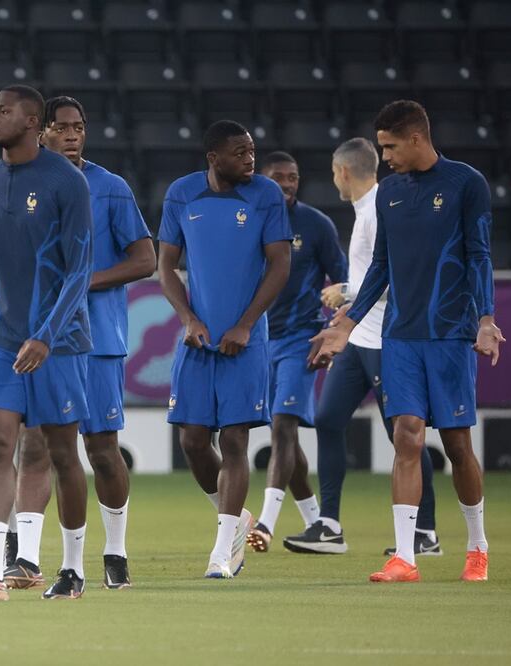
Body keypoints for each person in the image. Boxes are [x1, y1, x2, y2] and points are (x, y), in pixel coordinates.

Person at [309, 100, 502, 583]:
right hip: (398, 335)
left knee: (457, 444)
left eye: (391, 147)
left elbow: (479, 255)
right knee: (407, 434)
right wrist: (347, 324)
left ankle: (477, 547)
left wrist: (485, 318)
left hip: (450, 335)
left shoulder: (466, 183)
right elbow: (381, 266)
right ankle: (405, 558)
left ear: (417, 138)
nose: (386, 157)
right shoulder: (389, 193)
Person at [0, 85, 93, 602]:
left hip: (59, 341)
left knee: (61, 453)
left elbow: (80, 270)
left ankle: (72, 567)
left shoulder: (67, 181)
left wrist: (46, 336)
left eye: (3, 111)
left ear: (32, 121)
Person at [5, 96, 155, 591]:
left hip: (98, 339)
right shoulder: (21, 184)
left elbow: (146, 260)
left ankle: (116, 552)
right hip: (38, 339)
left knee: (102, 450)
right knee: (35, 446)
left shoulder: (110, 188)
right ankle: (27, 557)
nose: (72, 135)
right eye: (61, 127)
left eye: (78, 127)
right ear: (40, 132)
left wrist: (83, 281)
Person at [283, 137, 442, 556]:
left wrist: (348, 292)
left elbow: (401, 278)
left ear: (342, 172)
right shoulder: (365, 210)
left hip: (386, 341)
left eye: (333, 173)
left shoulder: (377, 212)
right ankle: (329, 525)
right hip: (358, 339)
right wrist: (347, 310)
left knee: (402, 435)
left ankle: (425, 532)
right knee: (328, 419)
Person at [157, 120, 292, 579]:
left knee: (234, 440)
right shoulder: (182, 193)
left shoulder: (266, 195)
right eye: (240, 152)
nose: (250, 159)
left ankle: (223, 551)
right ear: (214, 158)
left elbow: (280, 264)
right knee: (193, 441)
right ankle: (234, 519)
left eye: (252, 150)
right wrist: (187, 318)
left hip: (246, 341)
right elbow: (165, 266)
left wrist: (246, 324)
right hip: (197, 340)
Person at [245, 151, 347, 552]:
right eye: (278, 177)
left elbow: (343, 281)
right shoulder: (248, 220)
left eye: (293, 177)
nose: (287, 184)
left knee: (283, 426)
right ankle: (317, 522)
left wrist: (334, 330)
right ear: (262, 181)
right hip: (258, 340)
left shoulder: (316, 225)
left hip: (300, 340)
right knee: (285, 437)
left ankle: (265, 524)